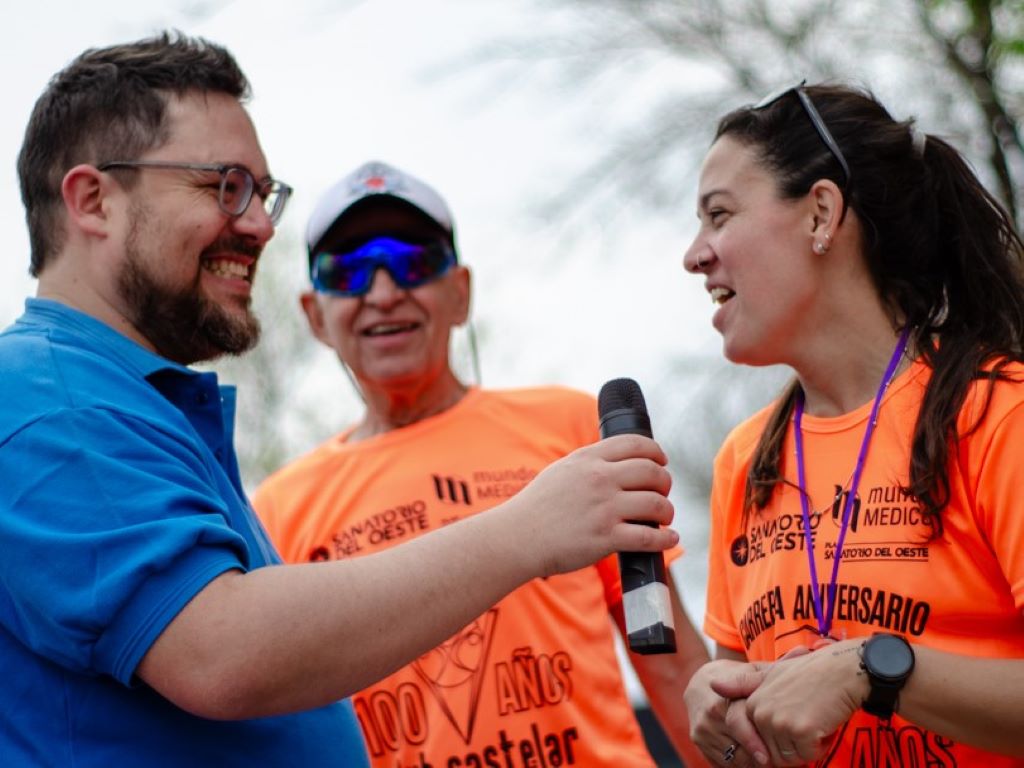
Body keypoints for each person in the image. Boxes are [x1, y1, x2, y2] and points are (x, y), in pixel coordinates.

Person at [0, 33, 680, 767]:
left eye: (263, 194)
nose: (259, 224)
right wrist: (528, 531)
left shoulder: (130, 405)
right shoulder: (52, 401)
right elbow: (224, 653)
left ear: (462, 291)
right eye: (223, 185)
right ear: (93, 200)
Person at [251, 159, 712, 767]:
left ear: (461, 292)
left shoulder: (570, 429)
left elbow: (668, 657)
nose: (384, 292)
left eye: (414, 262)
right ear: (315, 315)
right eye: (350, 270)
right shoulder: (276, 509)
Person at [679, 81, 1024, 767]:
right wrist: (721, 712)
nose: (695, 254)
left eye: (719, 216)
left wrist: (872, 668)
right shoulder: (745, 460)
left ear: (821, 215)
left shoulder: (998, 412)